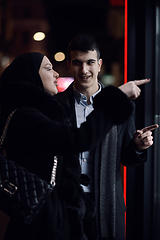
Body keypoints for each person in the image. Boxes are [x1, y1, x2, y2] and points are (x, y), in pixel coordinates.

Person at [0, 52, 134, 240]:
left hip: (41, 215)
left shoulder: (34, 114)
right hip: (42, 222)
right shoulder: (25, 117)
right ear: (30, 76)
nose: (56, 74)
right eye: (48, 68)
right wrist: (117, 98)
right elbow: (79, 139)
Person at [57, 34, 159, 240]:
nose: (84, 70)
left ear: (100, 64)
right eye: (77, 63)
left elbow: (127, 158)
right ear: (69, 65)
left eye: (90, 62)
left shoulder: (121, 105)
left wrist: (138, 147)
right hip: (65, 203)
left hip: (106, 204)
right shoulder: (57, 105)